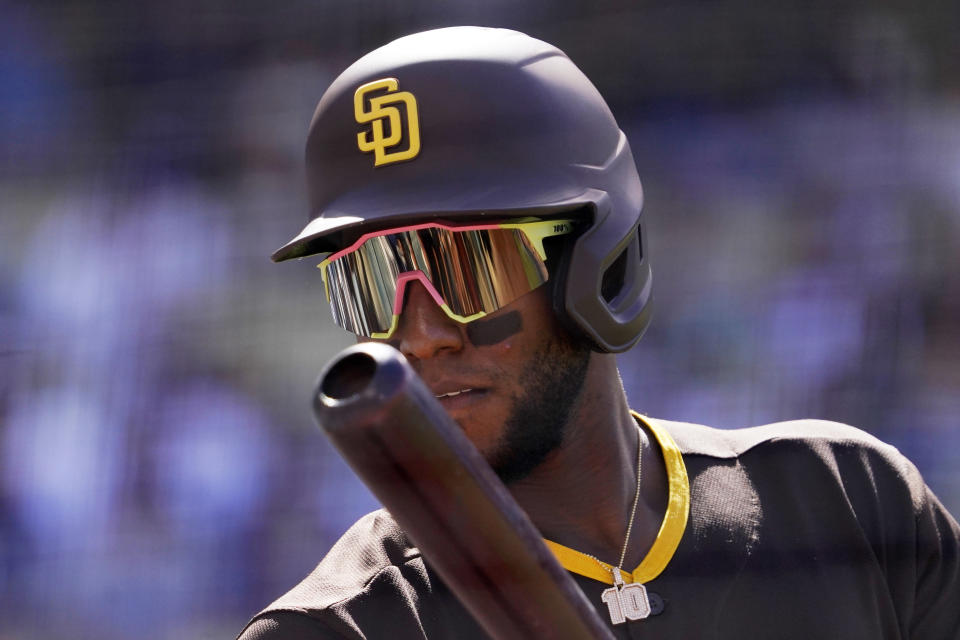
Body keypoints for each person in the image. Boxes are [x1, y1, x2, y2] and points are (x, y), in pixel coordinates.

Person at [238, 26, 960, 639]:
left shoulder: (848, 503)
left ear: (593, 259)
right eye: (370, 284)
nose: (421, 335)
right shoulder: (341, 628)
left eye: (467, 268)